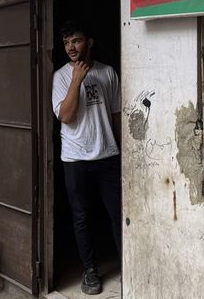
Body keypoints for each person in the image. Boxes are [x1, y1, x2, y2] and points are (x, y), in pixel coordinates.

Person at [52, 20, 121, 295]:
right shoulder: (61, 77)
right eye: (66, 42)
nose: (71, 47)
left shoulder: (108, 72)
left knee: (117, 213)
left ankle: (128, 262)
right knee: (81, 216)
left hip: (107, 154)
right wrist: (76, 80)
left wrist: (123, 151)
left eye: (76, 40)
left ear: (89, 42)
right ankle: (90, 270)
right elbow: (66, 116)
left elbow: (116, 115)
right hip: (75, 158)